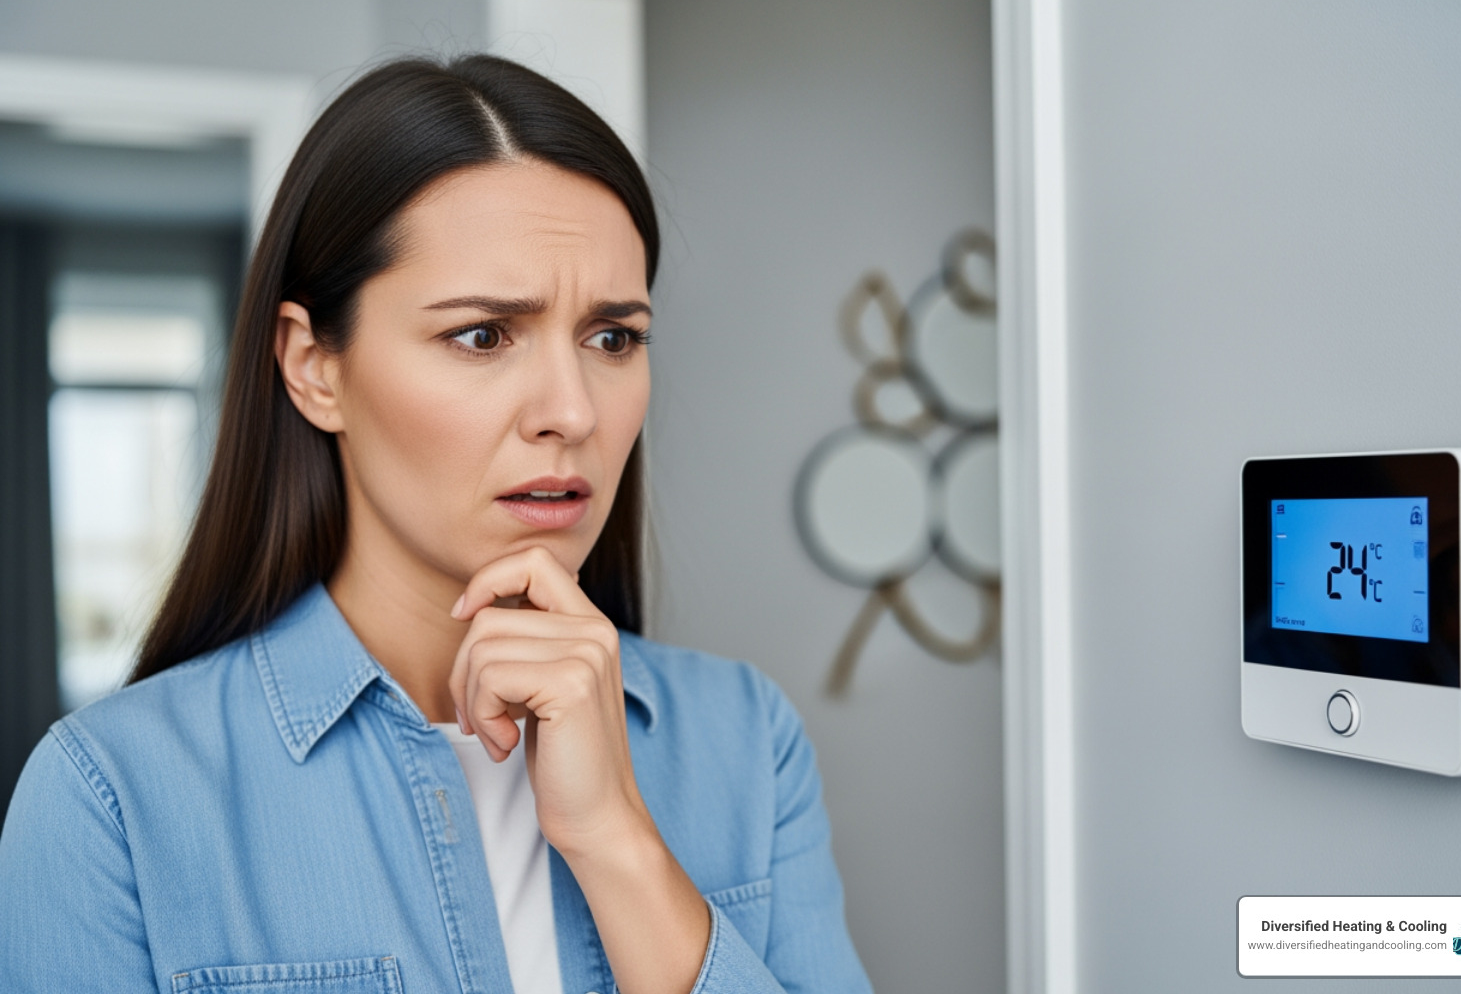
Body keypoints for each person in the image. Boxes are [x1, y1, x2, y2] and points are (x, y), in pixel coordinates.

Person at [0, 55, 871, 994]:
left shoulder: (746, 742)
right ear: (313, 367)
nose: (572, 411)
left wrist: (617, 840)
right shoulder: (111, 801)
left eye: (612, 337)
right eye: (482, 335)